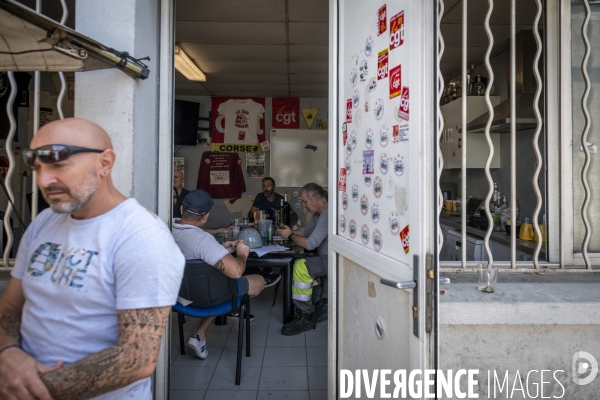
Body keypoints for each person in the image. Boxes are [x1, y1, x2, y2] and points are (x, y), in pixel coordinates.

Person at [0, 118, 185, 400]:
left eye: (59, 165)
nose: (44, 180)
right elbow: (11, 305)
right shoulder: (44, 223)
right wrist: (8, 354)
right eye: (38, 168)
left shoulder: (141, 236)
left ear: (105, 163)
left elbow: (136, 358)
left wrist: (28, 387)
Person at [172, 189, 279, 359]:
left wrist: (221, 250)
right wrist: (241, 254)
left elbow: (194, 255)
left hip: (177, 296)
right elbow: (236, 271)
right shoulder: (202, 240)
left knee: (218, 283)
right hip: (203, 299)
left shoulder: (169, 229)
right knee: (258, 281)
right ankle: (208, 326)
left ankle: (200, 335)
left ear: (181, 210)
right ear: (206, 217)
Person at [277, 182, 328, 336]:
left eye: (305, 201)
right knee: (300, 263)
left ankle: (303, 315)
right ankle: (322, 302)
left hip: (332, 260)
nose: (304, 206)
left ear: (316, 198)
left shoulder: (327, 213)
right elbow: (306, 231)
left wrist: (291, 236)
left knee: (300, 266)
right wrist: (289, 232)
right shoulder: (319, 214)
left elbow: (311, 244)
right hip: (323, 256)